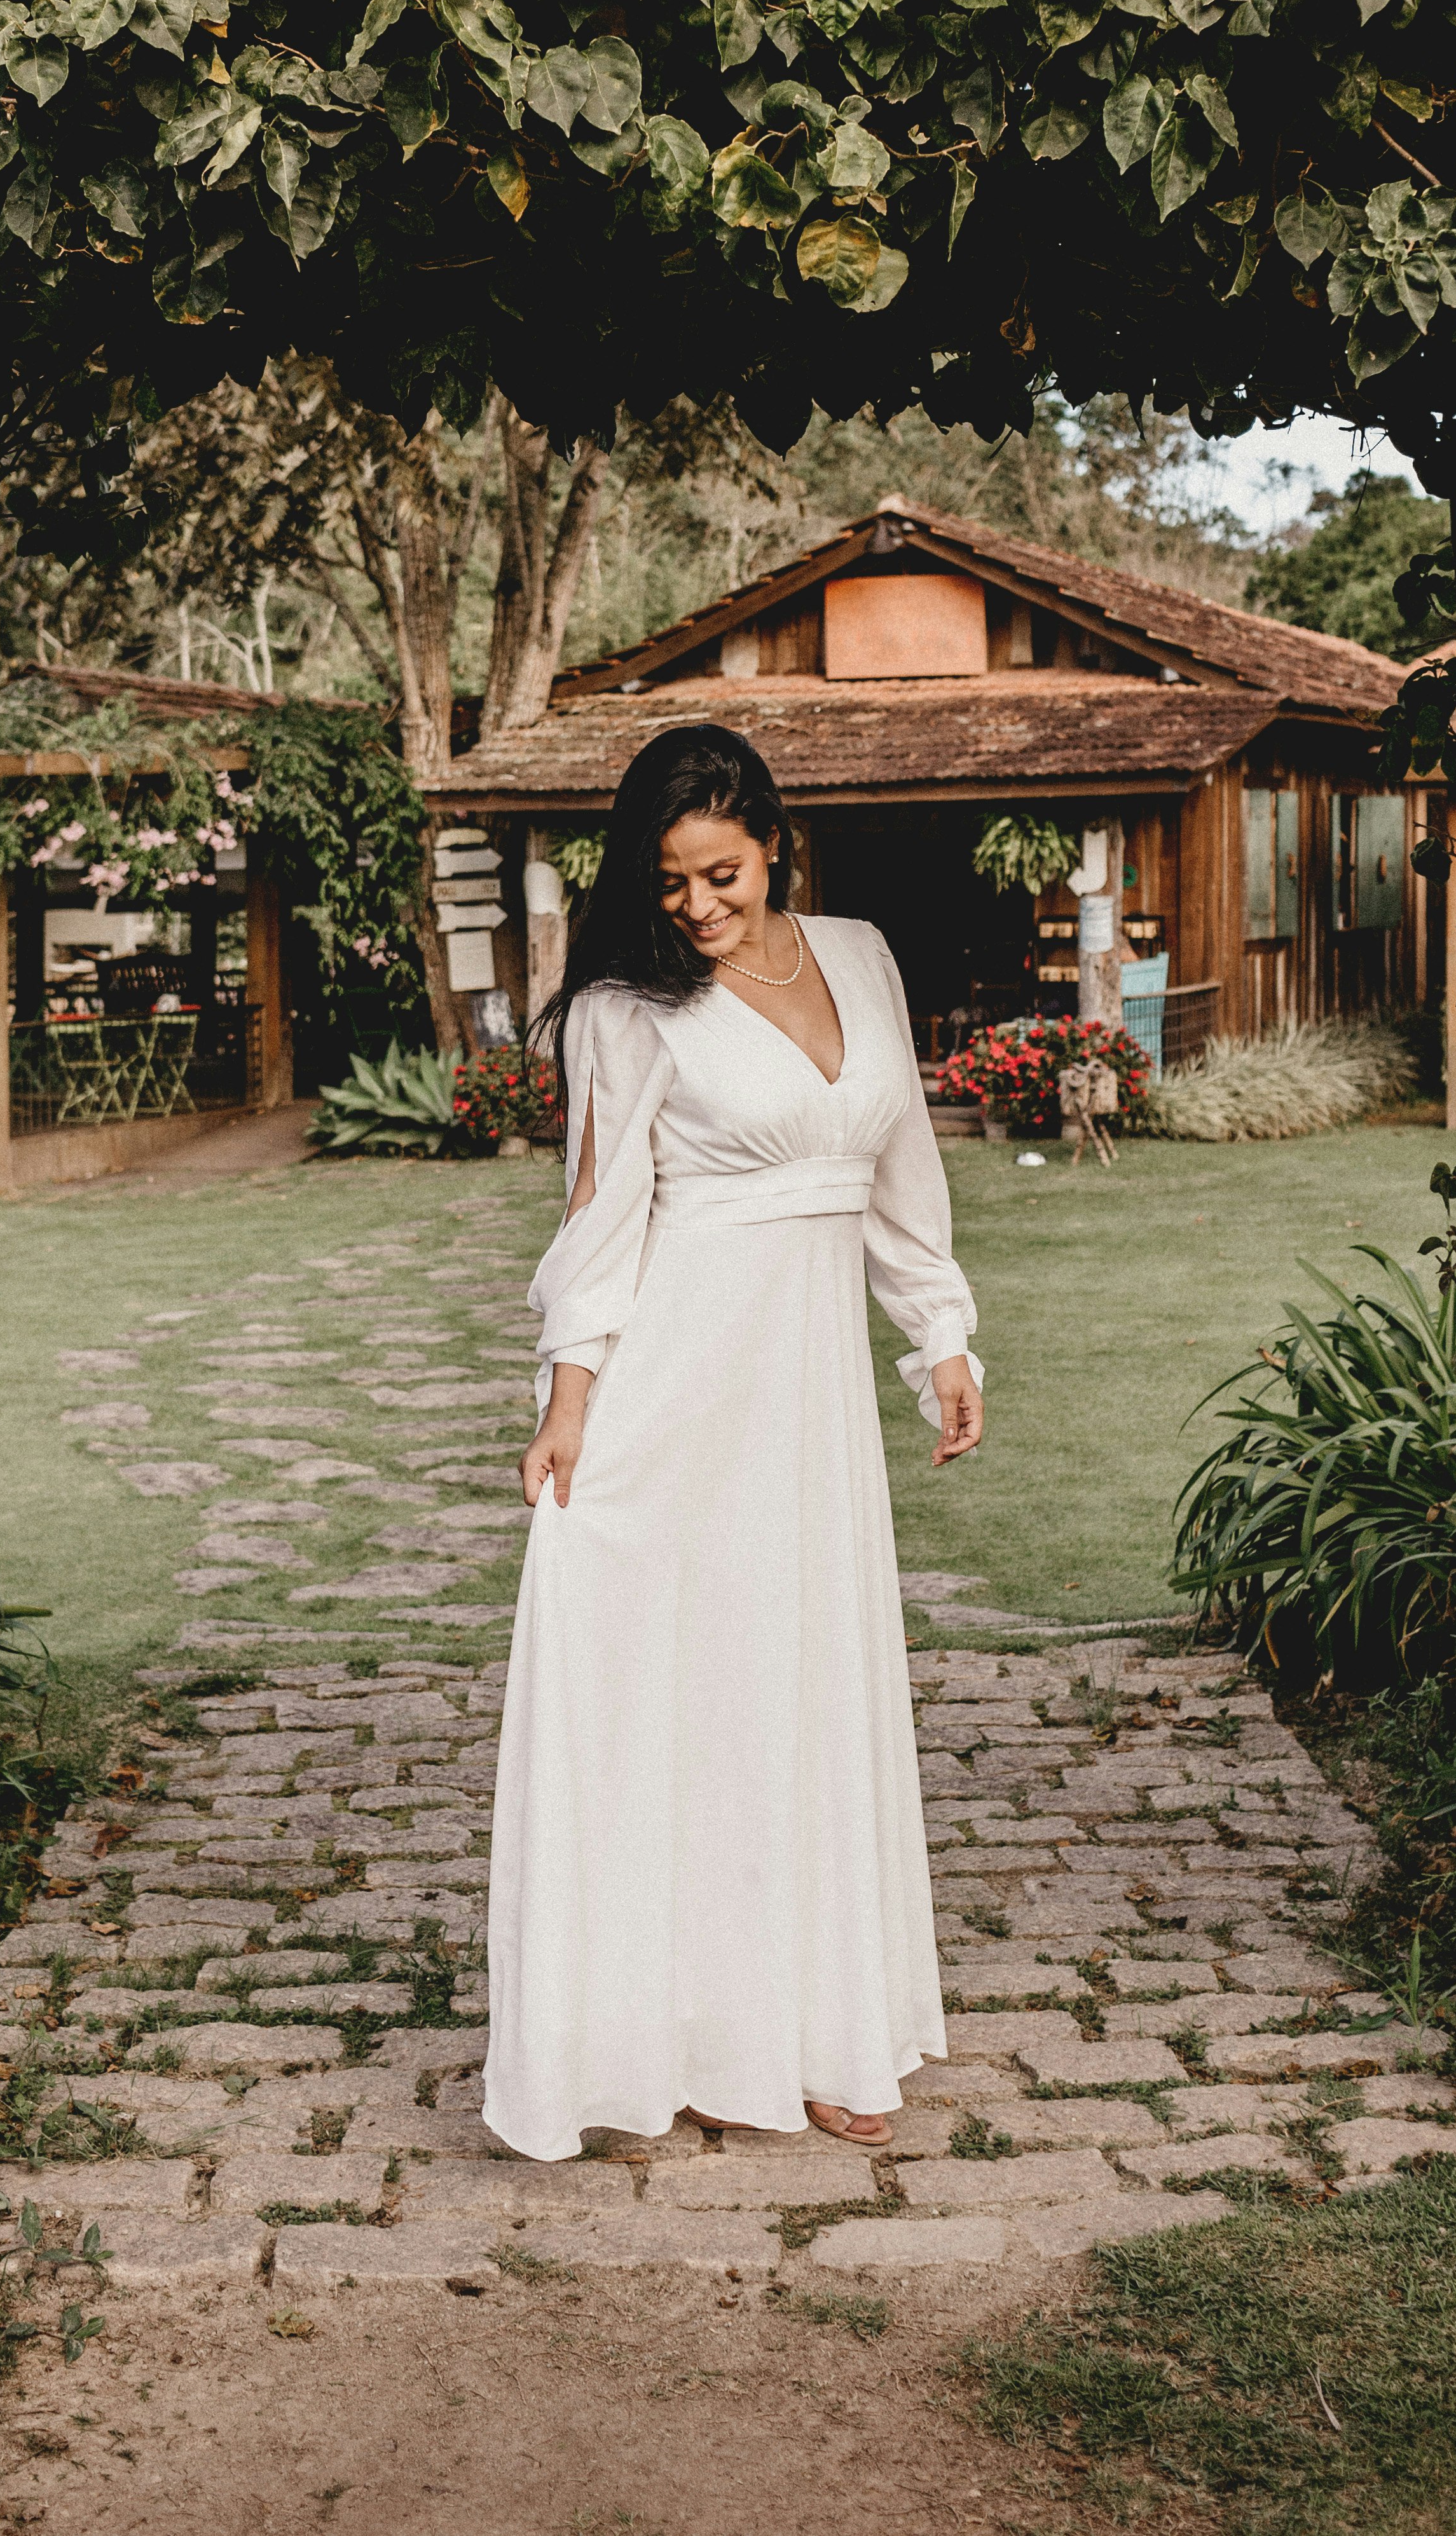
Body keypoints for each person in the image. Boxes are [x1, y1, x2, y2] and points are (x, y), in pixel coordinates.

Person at [483, 722, 986, 2163]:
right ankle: (670, 2033)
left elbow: (896, 1167)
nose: (697, 908)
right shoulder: (624, 1009)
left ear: (775, 843)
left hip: (811, 1388)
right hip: (684, 1376)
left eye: (721, 874)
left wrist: (936, 1337)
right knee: (684, 1694)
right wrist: (567, 1401)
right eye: (670, 885)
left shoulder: (862, 954)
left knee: (806, 1686)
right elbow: (601, 1211)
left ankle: (822, 2032)